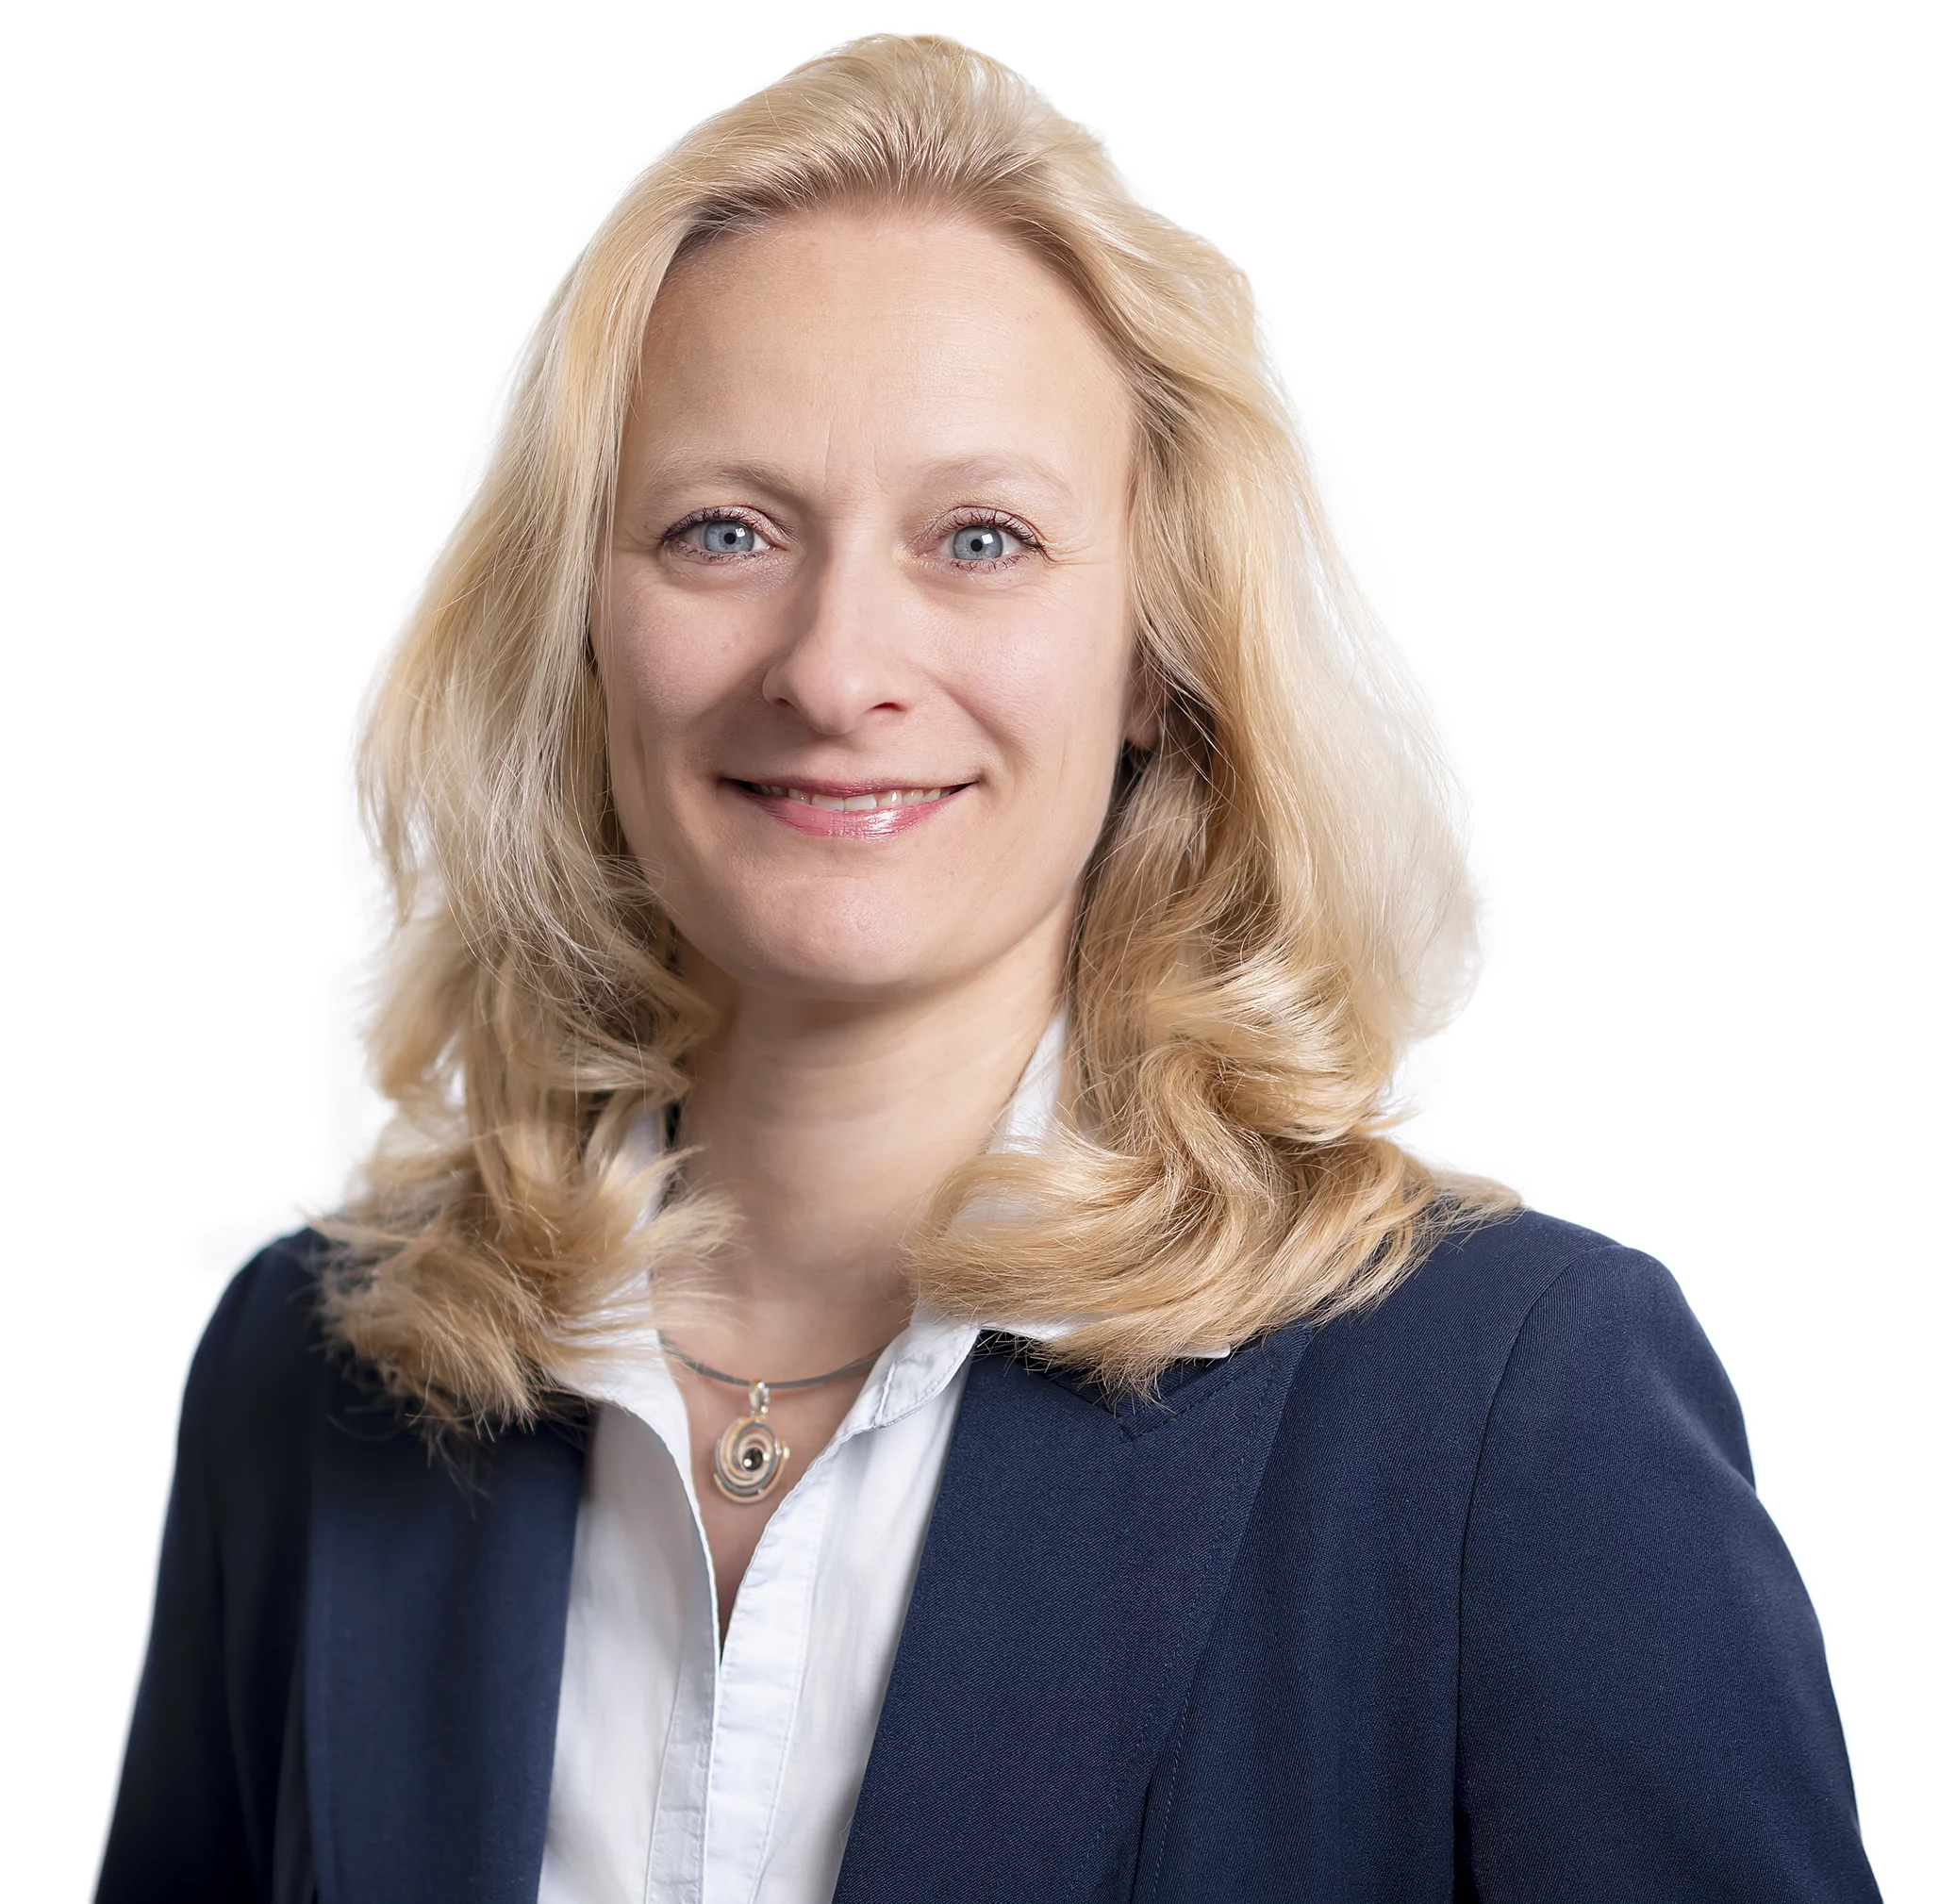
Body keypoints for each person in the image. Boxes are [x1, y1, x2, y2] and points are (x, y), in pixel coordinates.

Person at [95, 34, 1880, 1904]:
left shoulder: (1504, 1403)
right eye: (723, 529)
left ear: (1153, 653)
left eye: (979, 538)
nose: (834, 665)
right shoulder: (311, 1381)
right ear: (582, 623)